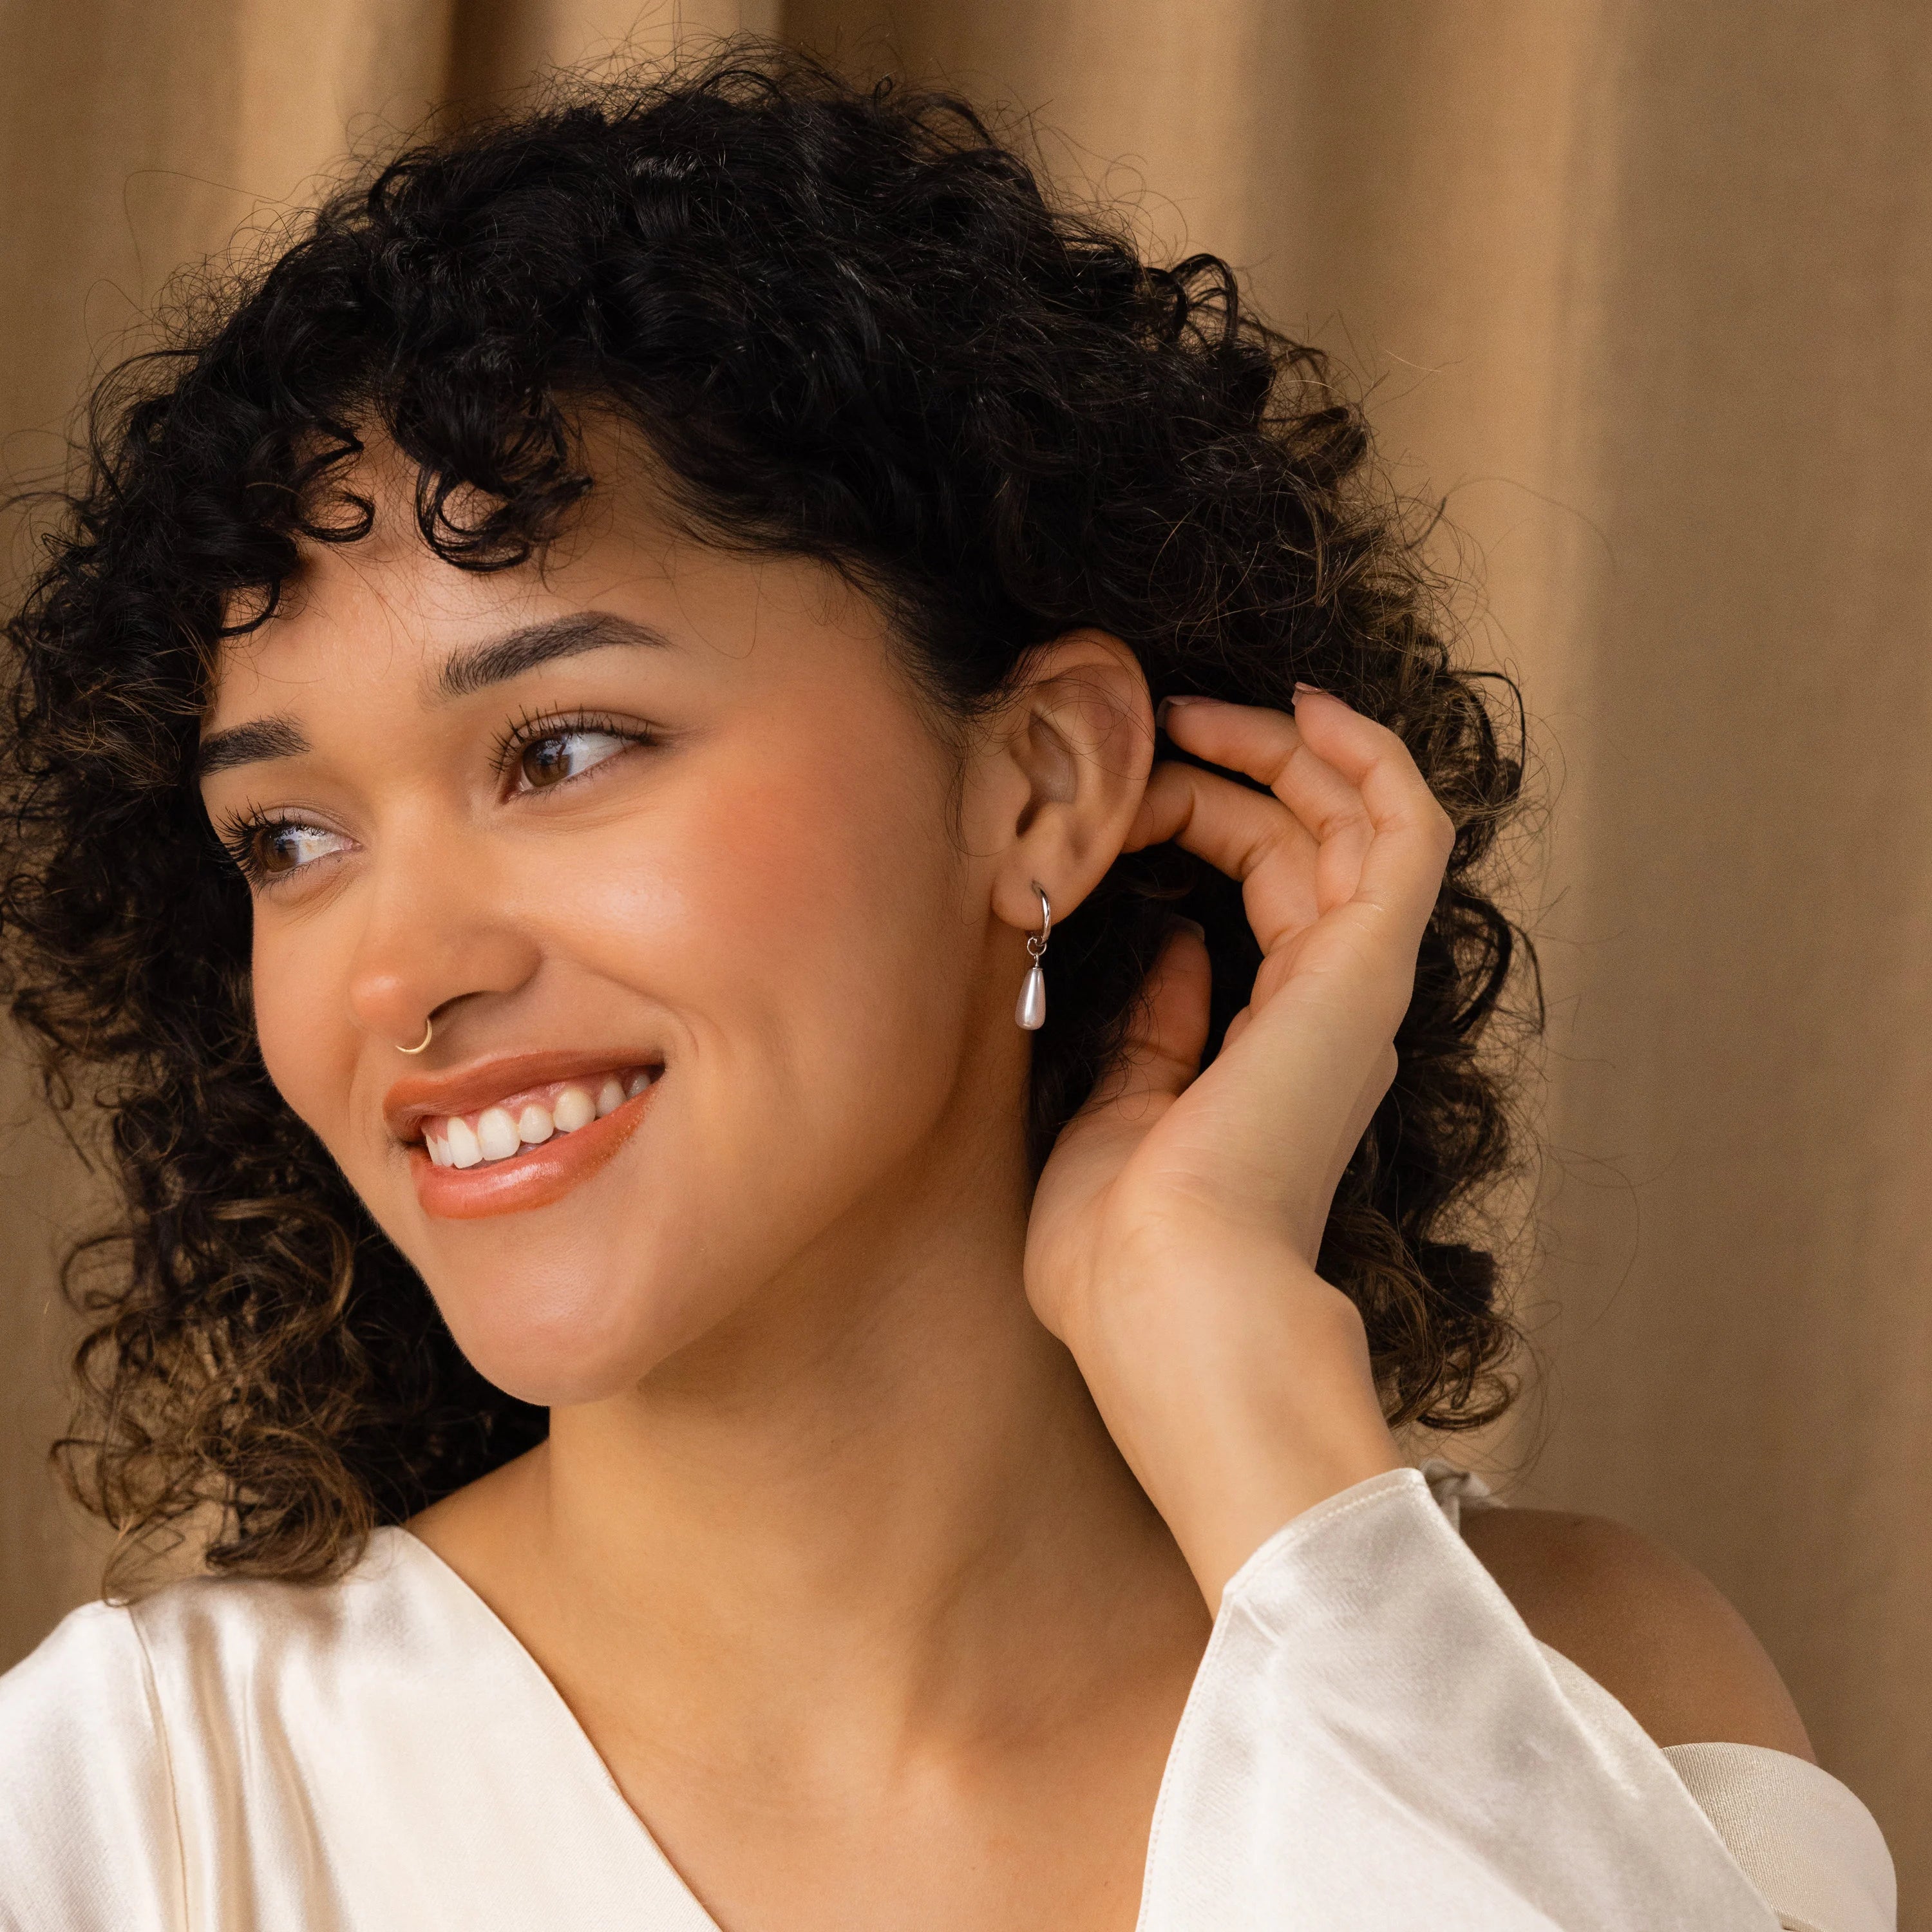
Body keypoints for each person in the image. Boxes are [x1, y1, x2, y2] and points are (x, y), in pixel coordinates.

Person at [0, 46, 1895, 1932]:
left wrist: (1246, 1393)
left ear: (1041, 783)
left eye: (565, 749)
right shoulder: (132, 1812)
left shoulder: (1601, 1699)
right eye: (289, 842)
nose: (399, 979)